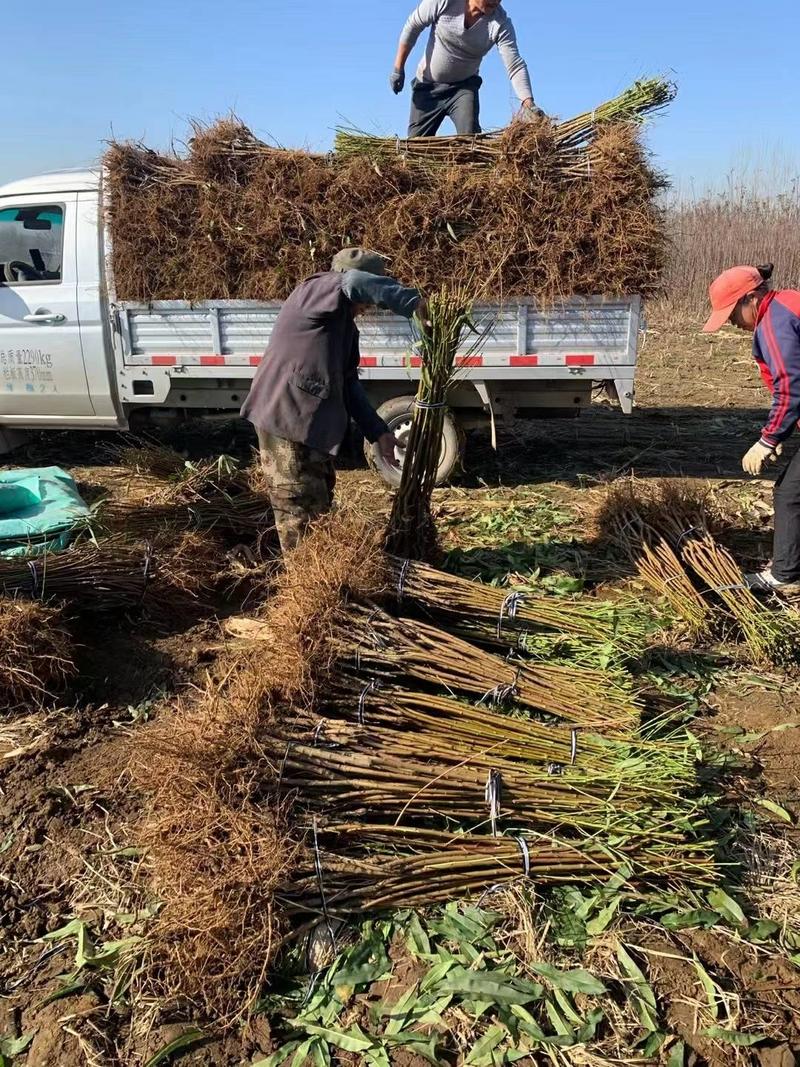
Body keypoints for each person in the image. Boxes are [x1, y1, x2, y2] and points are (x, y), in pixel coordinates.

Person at [240, 248, 422, 553]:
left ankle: (316, 573)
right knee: (298, 509)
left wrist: (379, 433)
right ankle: (302, 586)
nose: (368, 307)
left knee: (318, 503)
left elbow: (348, 384)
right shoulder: (314, 290)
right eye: (367, 299)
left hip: (309, 430)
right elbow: (352, 282)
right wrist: (415, 303)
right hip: (287, 422)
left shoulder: (343, 328)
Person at [703, 263, 800, 593]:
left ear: (752, 298)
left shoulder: (773, 323)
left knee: (790, 494)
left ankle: (785, 576)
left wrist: (768, 438)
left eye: (732, 313)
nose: (731, 322)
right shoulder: (789, 302)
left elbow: (790, 385)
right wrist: (784, 430)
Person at [390, 0, 544, 138]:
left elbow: (514, 64)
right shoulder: (444, 2)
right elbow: (413, 26)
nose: (495, 1)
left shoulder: (500, 23)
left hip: (463, 88)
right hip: (427, 87)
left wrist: (528, 103)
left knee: (470, 138)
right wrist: (398, 69)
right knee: (415, 148)